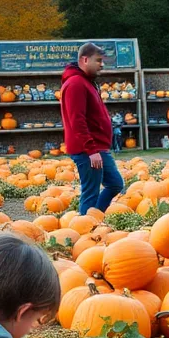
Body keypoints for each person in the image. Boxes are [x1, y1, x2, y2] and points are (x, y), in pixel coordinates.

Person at [62, 43, 124, 215]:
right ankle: (85, 230)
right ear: (85, 59)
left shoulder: (86, 82)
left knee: (115, 184)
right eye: (98, 60)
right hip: (88, 149)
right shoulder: (75, 84)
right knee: (90, 193)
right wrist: (91, 150)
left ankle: (94, 217)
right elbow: (77, 120)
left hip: (98, 147)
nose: (101, 65)